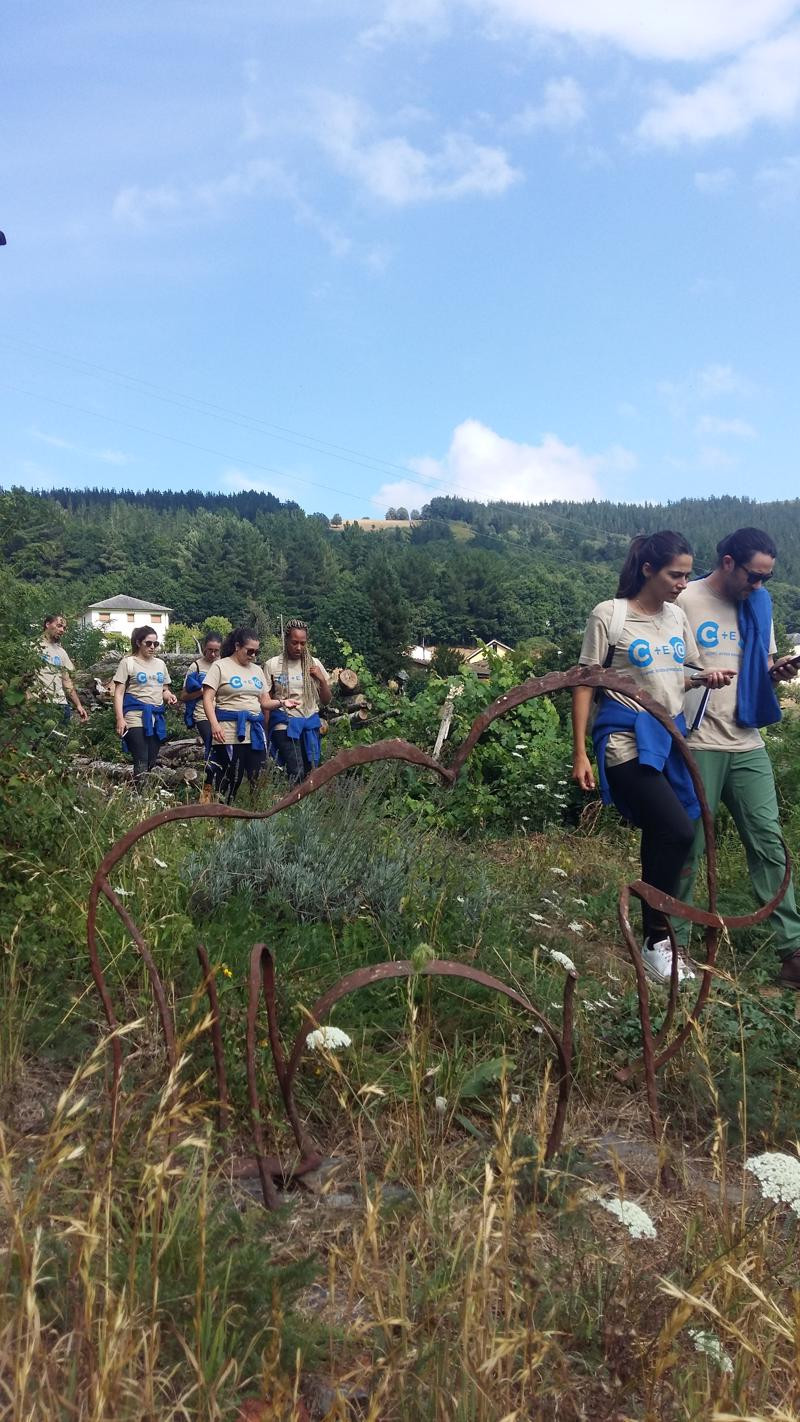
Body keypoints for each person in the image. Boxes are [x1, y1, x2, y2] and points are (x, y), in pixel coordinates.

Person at [572, 531, 733, 984]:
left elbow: (680, 674)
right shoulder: (610, 615)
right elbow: (585, 683)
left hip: (669, 739)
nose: (683, 583)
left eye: (686, 574)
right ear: (648, 570)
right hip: (625, 740)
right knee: (676, 830)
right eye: (675, 574)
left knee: (670, 833)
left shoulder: (677, 617)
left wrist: (706, 678)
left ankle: (654, 935)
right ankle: (655, 940)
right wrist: (581, 752)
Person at [675, 527, 800, 989]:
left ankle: (794, 951)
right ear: (728, 562)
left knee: (769, 843)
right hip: (696, 740)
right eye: (754, 575)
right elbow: (664, 664)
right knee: (688, 842)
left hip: (746, 742)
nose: (760, 586)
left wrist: (777, 671)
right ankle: (675, 945)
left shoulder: (758, 605)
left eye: (768, 577)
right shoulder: (683, 599)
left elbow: (759, 670)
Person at [201, 626, 294, 802]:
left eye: (256, 652)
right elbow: (207, 699)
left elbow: (264, 702)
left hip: (255, 732)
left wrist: (282, 702)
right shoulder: (220, 666)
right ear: (237, 646)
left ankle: (254, 815)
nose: (253, 655)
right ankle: (222, 816)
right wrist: (214, 725)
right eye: (249, 651)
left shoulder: (257, 670)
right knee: (229, 778)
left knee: (257, 777)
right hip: (227, 731)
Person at [265, 619, 332, 784]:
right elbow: (266, 700)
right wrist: (266, 731)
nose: (299, 648)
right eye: (294, 643)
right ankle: (293, 805)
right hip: (285, 722)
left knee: (312, 770)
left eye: (303, 643)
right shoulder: (272, 665)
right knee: (296, 770)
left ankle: (306, 806)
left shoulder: (314, 664)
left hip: (309, 722)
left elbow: (326, 700)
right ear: (286, 640)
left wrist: (321, 680)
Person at [113, 626, 178, 787]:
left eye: (156, 644)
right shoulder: (128, 663)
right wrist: (120, 719)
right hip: (134, 714)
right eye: (148, 643)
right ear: (138, 642)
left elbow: (163, 689)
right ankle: (140, 796)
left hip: (156, 715)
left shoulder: (160, 664)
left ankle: (138, 790)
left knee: (151, 759)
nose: (152, 647)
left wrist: (168, 696)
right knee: (141, 757)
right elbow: (119, 693)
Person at [180, 631, 222, 803]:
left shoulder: (225, 665)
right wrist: (202, 692)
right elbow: (183, 696)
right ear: (204, 648)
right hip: (202, 713)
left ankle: (222, 791)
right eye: (209, 650)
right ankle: (206, 794)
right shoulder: (195, 667)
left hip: (223, 712)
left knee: (223, 751)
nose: (212, 654)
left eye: (216, 651)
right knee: (212, 747)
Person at [36, 614, 88, 723]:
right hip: (40, 704)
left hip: (61, 705)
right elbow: (23, 677)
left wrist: (78, 705)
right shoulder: (33, 647)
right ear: (47, 624)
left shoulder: (61, 652)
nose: (62, 630)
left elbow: (67, 681)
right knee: (40, 739)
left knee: (62, 740)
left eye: (64, 628)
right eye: (59, 626)